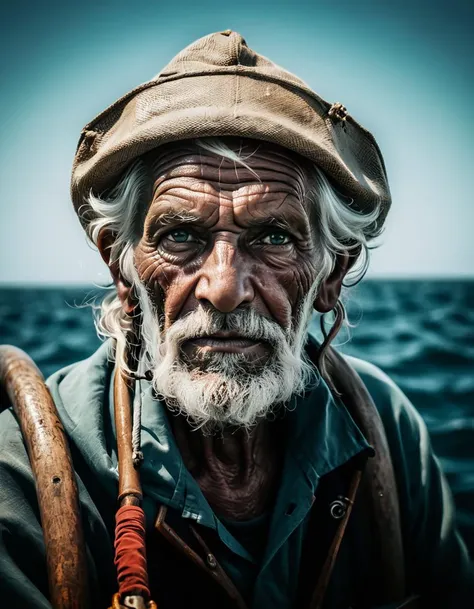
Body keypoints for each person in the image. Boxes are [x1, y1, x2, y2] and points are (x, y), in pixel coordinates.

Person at [0, 30, 472, 609]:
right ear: (122, 268)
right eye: (180, 236)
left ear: (329, 274)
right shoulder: (24, 470)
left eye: (274, 236)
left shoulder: (386, 433)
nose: (224, 289)